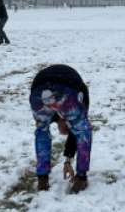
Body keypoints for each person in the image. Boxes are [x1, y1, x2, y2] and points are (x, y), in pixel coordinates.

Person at [30, 64, 92, 194]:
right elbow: (79, 132)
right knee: (82, 130)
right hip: (66, 88)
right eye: (69, 128)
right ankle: (81, 178)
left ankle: (42, 178)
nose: (66, 132)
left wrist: (68, 160)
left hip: (38, 90)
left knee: (42, 131)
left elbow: (73, 132)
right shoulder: (81, 96)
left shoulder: (52, 112)